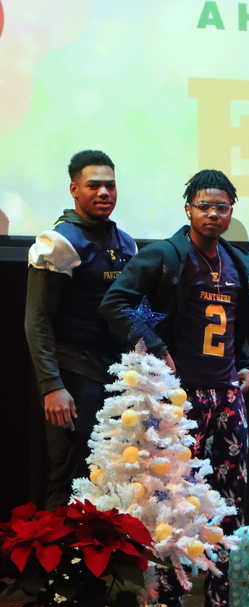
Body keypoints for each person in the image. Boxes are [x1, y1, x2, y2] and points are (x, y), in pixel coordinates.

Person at [100, 169, 249, 607]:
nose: (213, 214)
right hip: (177, 399)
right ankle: (165, 602)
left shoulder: (237, 263)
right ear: (188, 208)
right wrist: (157, 347)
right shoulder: (164, 256)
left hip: (227, 395)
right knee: (170, 499)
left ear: (231, 212)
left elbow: (232, 324)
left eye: (221, 207)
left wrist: (246, 360)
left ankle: (222, 603)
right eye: (204, 205)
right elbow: (115, 302)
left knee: (229, 500)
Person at [25, 150, 137, 510]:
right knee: (70, 478)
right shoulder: (59, 242)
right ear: (75, 189)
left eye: (110, 185)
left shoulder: (127, 243)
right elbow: (37, 320)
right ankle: (57, 566)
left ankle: (104, 565)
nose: (104, 193)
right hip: (73, 377)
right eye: (94, 186)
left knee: (111, 478)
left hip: (115, 378)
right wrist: (52, 387)